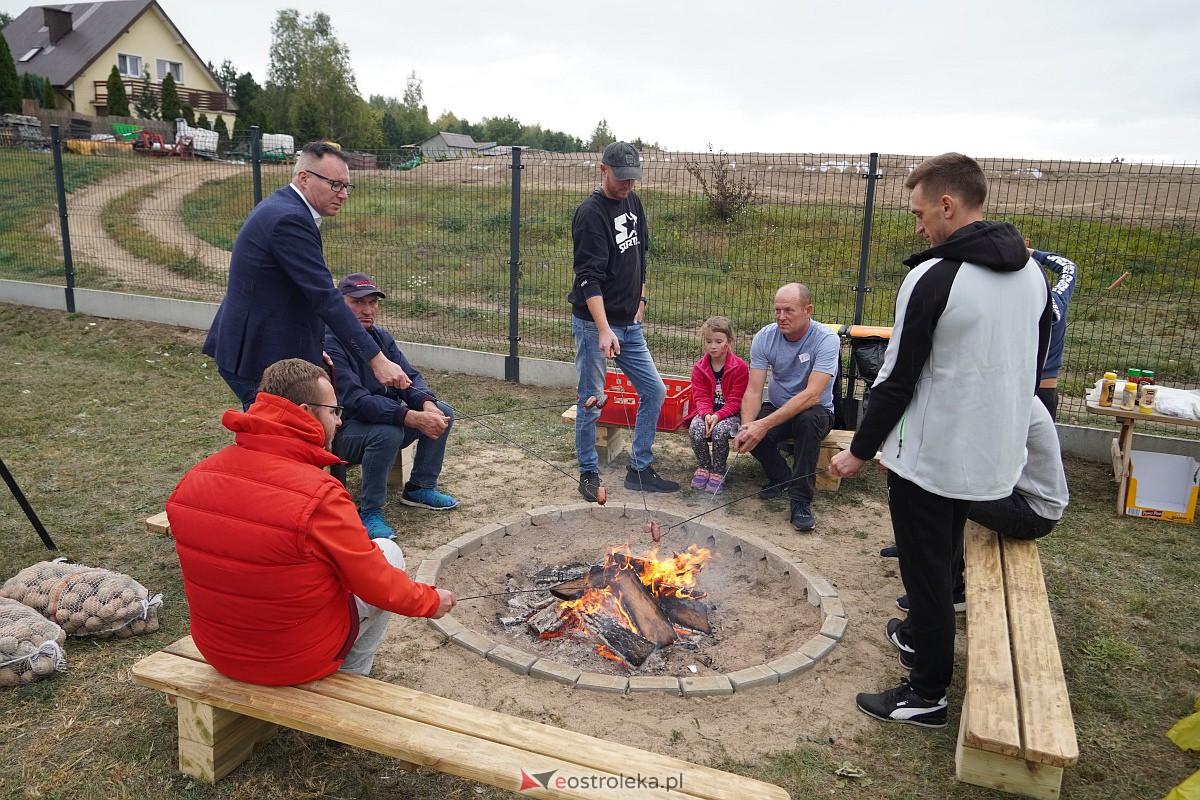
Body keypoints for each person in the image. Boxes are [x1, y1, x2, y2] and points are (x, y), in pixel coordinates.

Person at [829, 152, 1051, 729]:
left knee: (924, 577)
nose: (918, 224)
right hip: (996, 456)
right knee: (945, 552)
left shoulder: (933, 276)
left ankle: (926, 694)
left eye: (919, 212)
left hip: (932, 459)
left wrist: (859, 450)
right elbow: (1035, 353)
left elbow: (896, 376)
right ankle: (921, 635)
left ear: (948, 205)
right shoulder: (1031, 272)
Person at [167, 358, 455, 686]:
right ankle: (353, 681)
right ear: (306, 411)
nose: (340, 422)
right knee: (387, 552)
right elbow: (376, 584)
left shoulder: (196, 477)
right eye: (334, 412)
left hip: (218, 651)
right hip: (292, 661)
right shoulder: (319, 495)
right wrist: (431, 600)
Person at [203, 141, 409, 409]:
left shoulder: (284, 207)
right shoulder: (289, 219)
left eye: (346, 186)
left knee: (276, 435)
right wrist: (377, 360)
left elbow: (294, 292)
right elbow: (324, 297)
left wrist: (312, 346)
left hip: (258, 346)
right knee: (276, 438)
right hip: (258, 356)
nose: (343, 194)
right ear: (304, 178)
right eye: (335, 184)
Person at [885, 400, 1070, 616]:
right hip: (1014, 494)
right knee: (934, 484)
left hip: (1034, 511)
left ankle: (951, 591)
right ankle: (915, 549)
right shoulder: (1003, 388)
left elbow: (972, 458)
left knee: (943, 492)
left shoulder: (1004, 400)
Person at [570, 140, 678, 501]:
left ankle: (640, 468)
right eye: (621, 178)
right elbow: (589, 278)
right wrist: (602, 329)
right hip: (594, 324)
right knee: (593, 399)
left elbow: (641, 256)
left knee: (655, 390)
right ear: (603, 170)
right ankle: (588, 471)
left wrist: (641, 298)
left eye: (633, 178)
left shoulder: (634, 201)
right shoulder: (590, 214)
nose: (628, 185)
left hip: (630, 325)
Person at [324, 273, 458, 540]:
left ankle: (420, 487)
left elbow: (410, 377)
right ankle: (370, 511)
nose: (367, 310)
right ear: (339, 304)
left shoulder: (380, 337)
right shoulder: (329, 341)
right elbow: (355, 401)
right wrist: (408, 416)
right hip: (341, 434)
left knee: (443, 412)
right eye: (357, 302)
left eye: (372, 302)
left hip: (380, 420)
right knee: (388, 433)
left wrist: (427, 404)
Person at [732, 283, 840, 532]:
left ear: (808, 310)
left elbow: (813, 395)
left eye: (789, 310)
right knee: (751, 427)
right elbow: (754, 389)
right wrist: (748, 426)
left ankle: (800, 500)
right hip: (778, 405)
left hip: (817, 410)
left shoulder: (826, 340)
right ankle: (782, 477)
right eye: (777, 310)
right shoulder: (764, 337)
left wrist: (763, 425)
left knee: (806, 420)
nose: (781, 317)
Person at [687, 316, 749, 494]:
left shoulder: (740, 368)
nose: (713, 346)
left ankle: (718, 471)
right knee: (696, 428)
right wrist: (706, 414)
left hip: (731, 415)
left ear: (729, 342)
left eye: (718, 341)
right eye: (708, 341)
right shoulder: (699, 368)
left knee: (720, 431)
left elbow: (736, 401)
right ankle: (704, 466)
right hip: (708, 413)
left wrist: (718, 416)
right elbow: (700, 396)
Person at [1031, 247, 1079, 418]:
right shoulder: (1056, 300)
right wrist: (1033, 253)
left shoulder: (1013, 307)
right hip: (1046, 389)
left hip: (1014, 388)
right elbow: (1069, 268)